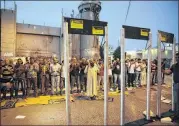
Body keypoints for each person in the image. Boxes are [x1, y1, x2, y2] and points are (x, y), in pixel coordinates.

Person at [162, 53, 179, 120]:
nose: (177, 58)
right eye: (176, 57)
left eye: (178, 57)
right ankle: (176, 115)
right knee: (176, 101)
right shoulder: (174, 65)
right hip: (176, 85)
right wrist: (162, 70)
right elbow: (168, 73)